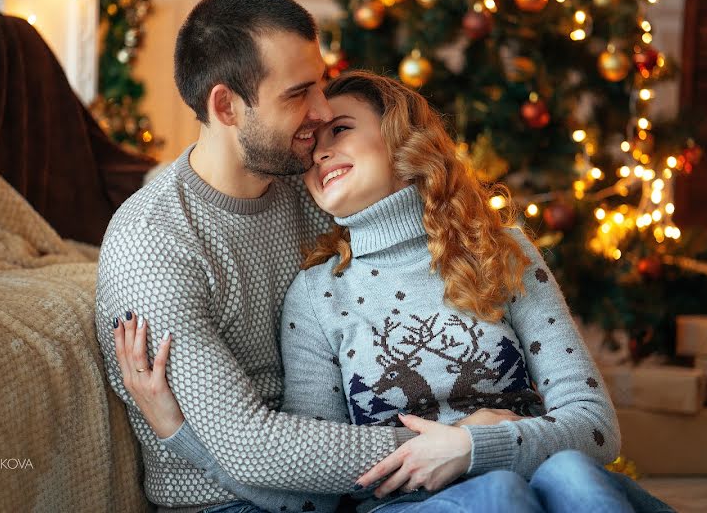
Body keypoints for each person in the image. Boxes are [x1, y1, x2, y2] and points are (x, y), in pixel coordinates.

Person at [113, 71, 675, 513]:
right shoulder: (316, 296)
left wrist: (475, 450)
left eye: (340, 130)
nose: (320, 155)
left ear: (399, 135)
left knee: (573, 476)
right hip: (405, 506)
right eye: (311, 153)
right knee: (498, 496)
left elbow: (595, 427)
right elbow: (306, 494)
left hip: (532, 475)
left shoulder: (500, 250)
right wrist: (178, 433)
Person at [96, 0, 521, 513]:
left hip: (366, 484)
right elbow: (249, 448)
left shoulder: (311, 184)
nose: (322, 111)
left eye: (320, 84)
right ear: (226, 106)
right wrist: (458, 445)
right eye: (298, 94)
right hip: (230, 502)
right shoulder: (154, 246)